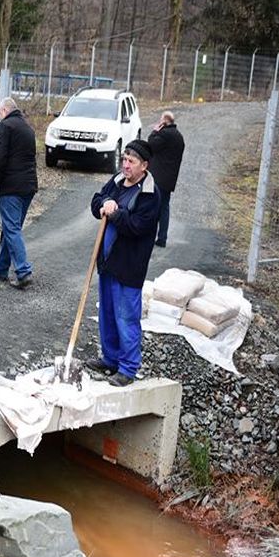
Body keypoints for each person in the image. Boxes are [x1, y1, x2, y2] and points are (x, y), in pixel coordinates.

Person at [86, 139, 161, 387]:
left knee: (126, 317)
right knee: (107, 313)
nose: (126, 165)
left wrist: (116, 213)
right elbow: (96, 200)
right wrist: (103, 205)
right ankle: (110, 359)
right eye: (124, 160)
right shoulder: (117, 181)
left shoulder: (150, 194)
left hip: (128, 267)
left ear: (144, 166)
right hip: (107, 263)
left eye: (132, 161)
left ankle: (128, 367)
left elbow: (138, 226)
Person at [0, 97, 38, 289]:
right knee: (12, 228)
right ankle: (1, 269)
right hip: (28, 186)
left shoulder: (5, 127)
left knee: (11, 229)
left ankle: (23, 272)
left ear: (3, 111)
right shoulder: (28, 129)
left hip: (11, 187)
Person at [146, 110, 185, 248]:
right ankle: (162, 237)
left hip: (158, 177)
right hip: (170, 179)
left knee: (151, 206)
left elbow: (150, 145)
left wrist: (154, 131)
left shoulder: (164, 134)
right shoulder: (179, 137)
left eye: (160, 120)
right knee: (164, 207)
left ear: (164, 121)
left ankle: (148, 236)